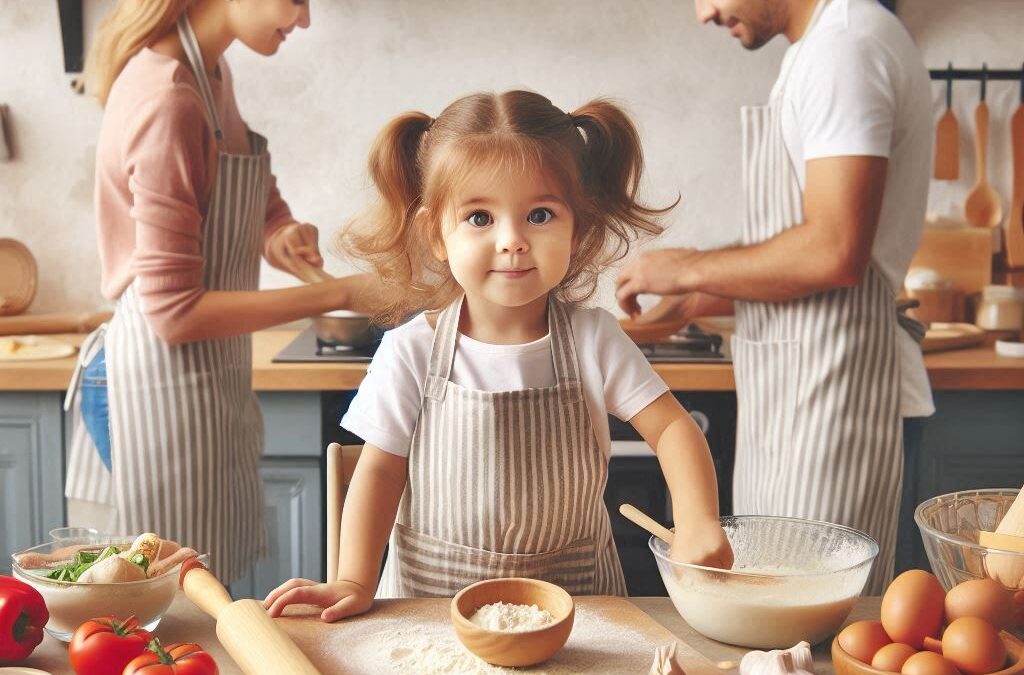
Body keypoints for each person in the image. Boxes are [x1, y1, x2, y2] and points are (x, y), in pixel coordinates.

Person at [263, 90, 734, 621]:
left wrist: (697, 522)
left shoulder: (594, 339)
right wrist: (352, 578)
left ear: (577, 230)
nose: (512, 240)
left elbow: (673, 429)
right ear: (435, 233)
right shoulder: (411, 351)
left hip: (581, 621)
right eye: (480, 218)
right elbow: (378, 472)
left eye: (539, 214)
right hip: (430, 620)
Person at [615, 0, 933, 593]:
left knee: (809, 618)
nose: (703, 13)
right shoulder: (819, 50)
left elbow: (835, 251)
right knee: (772, 609)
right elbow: (803, 255)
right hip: (795, 399)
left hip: (835, 396)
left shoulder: (845, 49)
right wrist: (695, 298)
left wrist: (687, 270)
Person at [64, 0, 376, 584]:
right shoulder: (168, 99)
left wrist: (280, 231)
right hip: (151, 383)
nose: (304, 20)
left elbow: (243, 193)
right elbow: (174, 312)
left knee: (198, 594)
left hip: (203, 379)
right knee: (166, 608)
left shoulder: (208, 72)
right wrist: (340, 292)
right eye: (296, 0)